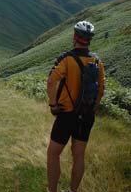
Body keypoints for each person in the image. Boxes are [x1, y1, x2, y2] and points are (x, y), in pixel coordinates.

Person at [47, 21, 105, 192]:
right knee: (79, 155)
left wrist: (53, 105)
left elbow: (51, 82)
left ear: (75, 37)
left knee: (53, 154)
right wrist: (93, 107)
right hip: (86, 115)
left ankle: (52, 190)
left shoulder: (66, 59)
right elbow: (101, 89)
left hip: (66, 114)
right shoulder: (97, 61)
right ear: (89, 40)